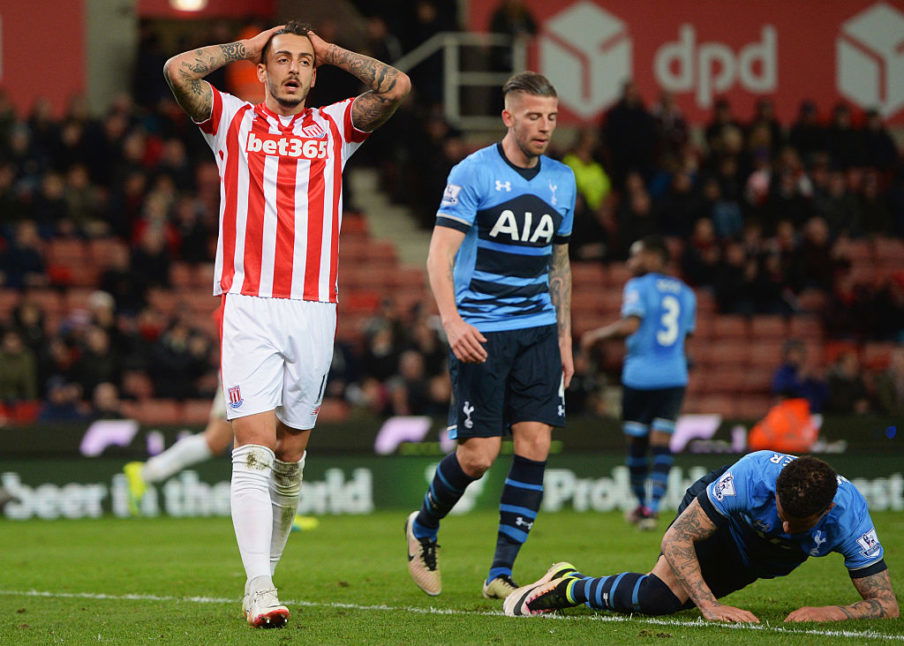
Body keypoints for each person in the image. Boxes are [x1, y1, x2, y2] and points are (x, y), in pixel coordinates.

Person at [163, 21, 410, 628]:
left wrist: (332, 51)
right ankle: (259, 587)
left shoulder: (334, 127)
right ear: (263, 70)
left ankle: (267, 575)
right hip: (249, 302)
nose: (294, 68)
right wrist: (248, 46)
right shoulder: (232, 120)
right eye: (282, 59)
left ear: (314, 72)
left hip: (314, 309)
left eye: (304, 61)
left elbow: (397, 87)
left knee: (290, 455)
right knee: (252, 449)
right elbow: (177, 70)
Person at [404, 72, 576, 601]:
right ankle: (423, 524)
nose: (544, 127)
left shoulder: (562, 180)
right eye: (533, 116)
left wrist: (565, 338)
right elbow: (439, 255)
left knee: (536, 443)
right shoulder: (473, 172)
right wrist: (452, 322)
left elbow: (560, 263)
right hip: (482, 331)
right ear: (508, 117)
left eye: (551, 117)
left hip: (538, 329)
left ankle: (500, 573)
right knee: (478, 456)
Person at [504, 452, 899, 623]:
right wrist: (708, 605)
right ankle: (569, 586)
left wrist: (833, 612)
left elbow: (886, 605)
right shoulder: (752, 475)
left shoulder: (850, 517)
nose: (785, 528)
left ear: (826, 512)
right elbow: (676, 539)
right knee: (657, 597)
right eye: (782, 514)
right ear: (776, 491)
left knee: (667, 601)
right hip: (721, 525)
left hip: (756, 560)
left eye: (799, 525)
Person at [581, 236, 695, 530]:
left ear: (654, 258)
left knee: (636, 444)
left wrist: (597, 335)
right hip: (674, 375)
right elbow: (685, 337)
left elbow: (631, 325)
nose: (630, 263)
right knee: (661, 444)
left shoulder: (638, 286)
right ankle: (652, 508)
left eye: (635, 256)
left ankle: (642, 506)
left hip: (640, 376)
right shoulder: (686, 293)